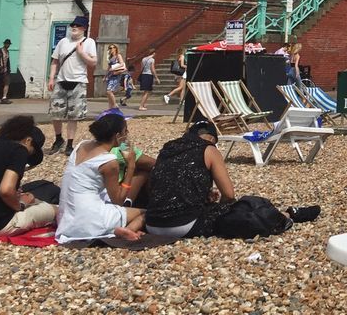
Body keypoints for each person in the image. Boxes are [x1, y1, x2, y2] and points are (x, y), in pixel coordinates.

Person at [55, 112, 147, 244]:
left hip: (66, 220)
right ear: (118, 136)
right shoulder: (109, 161)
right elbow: (118, 201)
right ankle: (125, 230)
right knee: (146, 213)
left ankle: (117, 228)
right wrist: (131, 166)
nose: (127, 135)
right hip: (91, 219)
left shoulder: (81, 145)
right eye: (125, 131)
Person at [145, 121, 237, 238]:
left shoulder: (167, 148)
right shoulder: (209, 149)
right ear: (211, 139)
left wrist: (201, 195)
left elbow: (161, 186)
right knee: (237, 208)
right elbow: (229, 195)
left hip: (152, 224)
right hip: (186, 225)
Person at [47, 16, 98, 156]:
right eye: (73, 25)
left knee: (73, 116)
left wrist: (81, 53)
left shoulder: (88, 42)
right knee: (55, 112)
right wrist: (51, 78)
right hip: (61, 80)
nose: (74, 27)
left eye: (78, 25)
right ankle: (58, 139)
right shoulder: (63, 41)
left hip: (78, 81)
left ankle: (70, 143)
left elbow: (93, 62)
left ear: (84, 28)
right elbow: (55, 61)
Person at [105, 45, 129, 111]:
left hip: (116, 75)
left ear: (115, 48)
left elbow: (121, 64)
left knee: (109, 91)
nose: (111, 49)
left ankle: (115, 105)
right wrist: (105, 76)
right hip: (110, 75)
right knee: (109, 92)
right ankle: (111, 107)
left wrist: (113, 68)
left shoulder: (118, 56)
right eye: (109, 48)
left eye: (112, 47)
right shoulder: (110, 57)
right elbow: (108, 68)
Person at [136, 47, 157, 112]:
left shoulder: (143, 59)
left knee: (146, 91)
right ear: (153, 53)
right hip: (149, 75)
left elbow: (141, 68)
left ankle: (144, 104)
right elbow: (152, 69)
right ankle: (141, 106)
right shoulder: (152, 60)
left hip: (143, 75)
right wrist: (156, 77)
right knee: (147, 91)